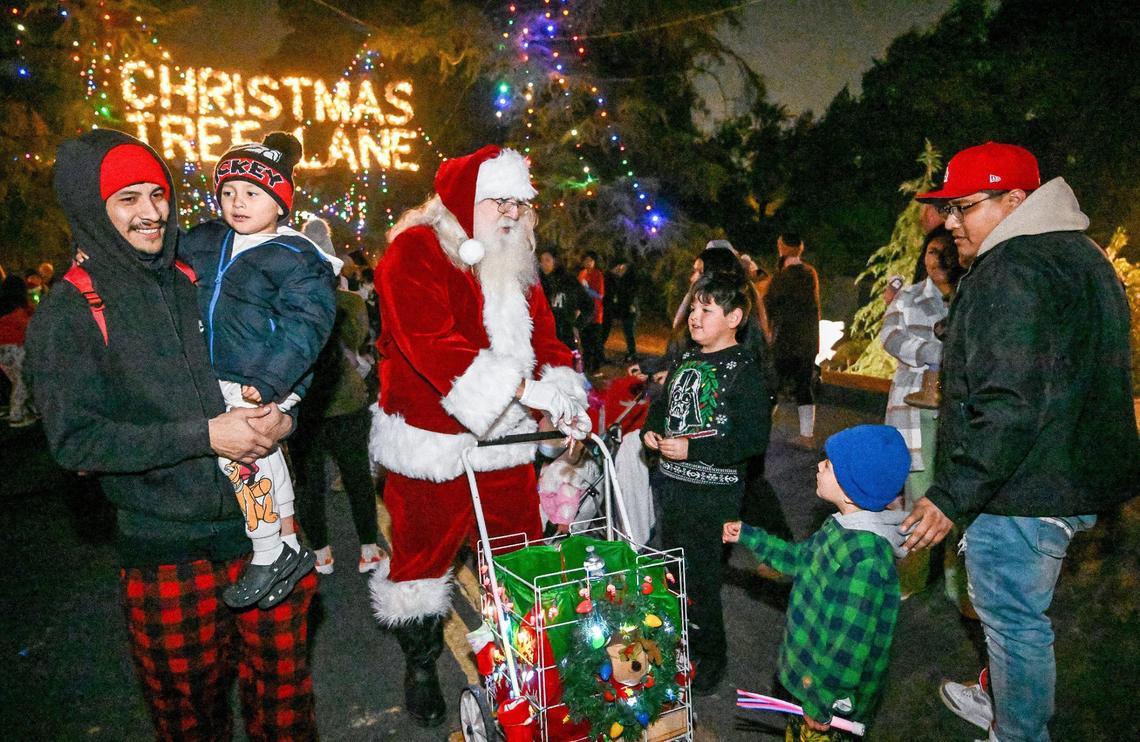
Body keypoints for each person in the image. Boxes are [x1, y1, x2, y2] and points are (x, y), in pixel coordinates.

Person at [26, 129, 316, 739]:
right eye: (127, 199)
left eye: (157, 194)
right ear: (90, 207)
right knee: (189, 721)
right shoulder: (71, 311)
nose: (152, 212)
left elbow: (288, 343)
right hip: (166, 552)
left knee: (286, 705)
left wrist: (289, 415)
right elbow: (76, 442)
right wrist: (204, 436)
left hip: (264, 534)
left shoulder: (202, 268)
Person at [900, 142, 1138, 742]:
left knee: (1013, 622)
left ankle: (1019, 730)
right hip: (1067, 474)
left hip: (1023, 487)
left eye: (965, 208)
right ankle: (1001, 699)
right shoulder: (1082, 255)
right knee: (1017, 617)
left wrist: (951, 493)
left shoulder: (1011, 268)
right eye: (949, 209)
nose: (950, 223)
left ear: (1015, 200)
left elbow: (1011, 402)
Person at [369, 144, 590, 727]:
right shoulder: (416, 248)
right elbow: (428, 340)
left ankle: (523, 669)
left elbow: (546, 335)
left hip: (506, 445)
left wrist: (564, 392)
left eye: (521, 201)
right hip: (432, 443)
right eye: (499, 200)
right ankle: (421, 663)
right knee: (420, 566)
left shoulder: (515, 257)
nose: (513, 213)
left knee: (521, 561)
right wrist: (522, 392)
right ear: (467, 200)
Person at [179, 132, 338, 610]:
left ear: (280, 201)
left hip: (264, 375)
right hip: (229, 373)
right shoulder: (210, 240)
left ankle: (268, 552)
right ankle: (287, 542)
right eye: (227, 192)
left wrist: (273, 380)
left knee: (243, 458)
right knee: (266, 457)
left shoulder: (296, 258)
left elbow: (306, 327)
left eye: (252, 193)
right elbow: (162, 254)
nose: (237, 202)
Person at [724, 424, 910, 740]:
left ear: (852, 487)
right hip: (809, 680)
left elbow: (848, 648)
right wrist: (750, 536)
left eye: (829, 464)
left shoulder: (865, 561)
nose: (819, 465)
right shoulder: (839, 526)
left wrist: (822, 700)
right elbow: (798, 559)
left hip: (828, 702)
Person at [642, 272, 771, 695]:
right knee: (671, 572)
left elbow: (752, 440)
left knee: (699, 578)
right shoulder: (683, 359)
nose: (695, 317)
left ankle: (709, 657)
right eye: (693, 308)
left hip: (713, 496)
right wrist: (651, 431)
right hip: (674, 487)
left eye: (707, 309)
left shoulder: (745, 371)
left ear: (734, 317)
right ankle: (676, 642)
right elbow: (663, 409)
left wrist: (693, 452)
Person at [879, 227, 966, 598]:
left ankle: (957, 585)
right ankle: (911, 578)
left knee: (957, 497)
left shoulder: (970, 297)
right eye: (931, 251)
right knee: (918, 496)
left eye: (944, 251)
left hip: (958, 412)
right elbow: (890, 337)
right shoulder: (910, 296)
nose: (937, 260)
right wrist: (939, 355)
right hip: (914, 414)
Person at [765, 232, 821, 447]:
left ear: (782, 247)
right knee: (803, 387)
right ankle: (807, 436)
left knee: (771, 386)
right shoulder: (810, 274)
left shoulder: (782, 277)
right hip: (807, 342)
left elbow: (768, 305)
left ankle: (761, 429)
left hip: (785, 341)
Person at [538, 247, 591, 357]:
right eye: (541, 260)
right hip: (543, 337)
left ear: (555, 262)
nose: (543, 264)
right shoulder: (537, 283)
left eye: (547, 260)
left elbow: (588, 305)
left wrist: (577, 325)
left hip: (565, 337)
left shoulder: (569, 281)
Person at [0, 274, 36, 427]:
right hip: (15, 346)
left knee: (17, 380)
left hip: (2, 350)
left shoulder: (3, 306)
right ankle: (17, 415)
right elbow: (27, 324)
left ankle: (28, 409)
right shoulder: (20, 307)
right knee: (22, 380)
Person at [602, 256, 638, 361]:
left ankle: (632, 352)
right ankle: (598, 351)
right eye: (623, 267)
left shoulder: (627, 276)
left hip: (625, 307)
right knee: (605, 329)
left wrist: (631, 304)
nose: (623, 269)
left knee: (628, 330)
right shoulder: (610, 277)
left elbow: (631, 291)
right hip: (612, 307)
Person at [578, 250, 605, 372]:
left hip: (595, 313)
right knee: (585, 342)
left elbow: (600, 295)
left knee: (594, 341)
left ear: (594, 262)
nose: (588, 263)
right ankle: (587, 365)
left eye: (591, 260)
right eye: (586, 260)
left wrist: (586, 290)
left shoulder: (598, 275)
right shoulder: (582, 274)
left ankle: (595, 367)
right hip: (584, 312)